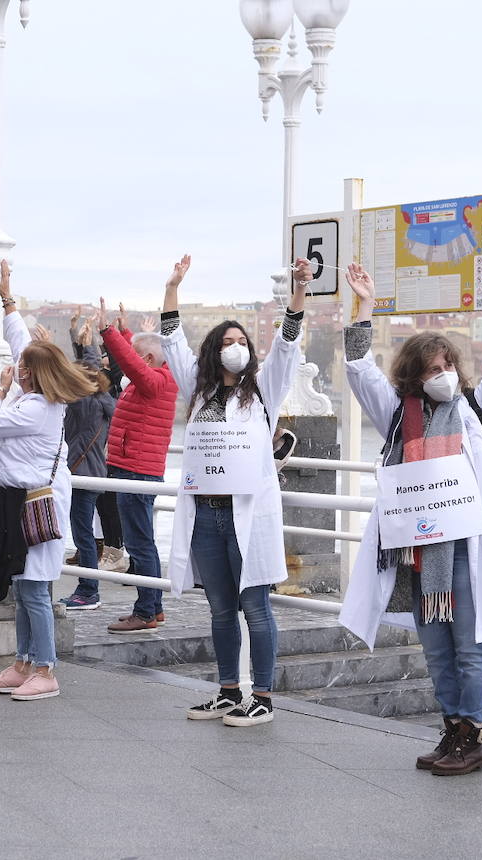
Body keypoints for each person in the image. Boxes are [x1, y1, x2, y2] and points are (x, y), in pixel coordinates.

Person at [339, 264, 482, 774]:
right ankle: (453, 731)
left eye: (447, 363)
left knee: (470, 648)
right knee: (438, 652)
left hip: (467, 551)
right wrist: (364, 306)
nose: (441, 373)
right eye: (430, 367)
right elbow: (359, 370)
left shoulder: (475, 409)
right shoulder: (399, 415)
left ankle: (476, 735)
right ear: (413, 375)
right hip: (421, 554)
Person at [158, 254, 311, 728]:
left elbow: (287, 346)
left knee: (255, 607)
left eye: (242, 341)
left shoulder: (264, 389)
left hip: (247, 515)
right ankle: (228, 690)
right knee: (221, 608)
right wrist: (172, 288)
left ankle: (261, 695)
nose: (235, 347)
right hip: (206, 515)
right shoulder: (198, 390)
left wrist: (299, 291)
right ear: (213, 351)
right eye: (227, 342)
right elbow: (172, 342)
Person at [0, 260, 96, 701]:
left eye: (23, 368)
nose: (17, 369)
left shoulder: (32, 408)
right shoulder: (40, 396)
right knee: (24, 584)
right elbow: (19, 342)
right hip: (22, 500)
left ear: (34, 374)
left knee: (35, 588)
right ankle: (24, 662)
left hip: (36, 503)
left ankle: (45, 669)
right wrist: (8, 301)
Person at [97, 298, 180, 634]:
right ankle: (153, 608)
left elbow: (133, 364)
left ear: (148, 359)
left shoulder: (156, 380)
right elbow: (138, 358)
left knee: (140, 542)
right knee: (142, 539)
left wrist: (108, 332)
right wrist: (128, 331)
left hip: (137, 470)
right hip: (134, 467)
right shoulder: (157, 375)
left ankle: (146, 611)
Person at [58, 318, 117, 610]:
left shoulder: (84, 403)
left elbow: (87, 373)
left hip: (81, 473)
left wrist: (85, 344)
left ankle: (88, 590)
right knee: (84, 532)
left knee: (82, 533)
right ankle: (87, 588)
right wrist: (83, 343)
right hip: (91, 471)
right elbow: (90, 373)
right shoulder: (101, 399)